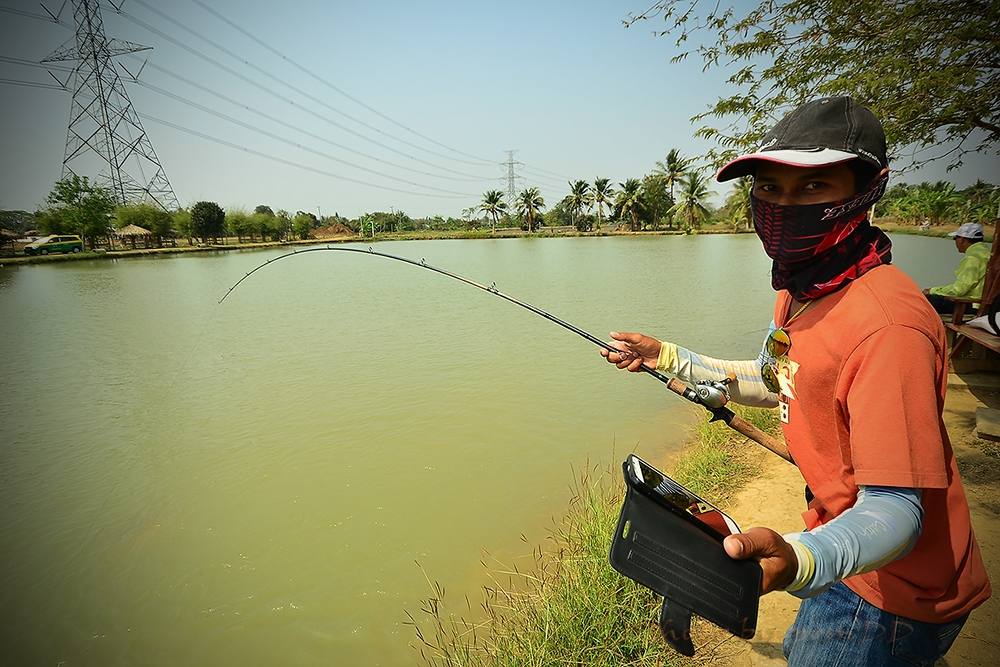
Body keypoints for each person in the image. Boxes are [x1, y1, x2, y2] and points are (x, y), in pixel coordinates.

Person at [601, 96, 990, 666]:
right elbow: (777, 380)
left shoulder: (889, 326)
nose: (783, 206)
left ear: (868, 189)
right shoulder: (802, 291)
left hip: (893, 590)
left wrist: (799, 559)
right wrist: (667, 357)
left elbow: (895, 512)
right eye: (769, 188)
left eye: (813, 188)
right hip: (839, 546)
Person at [924, 222, 991, 315]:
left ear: (962, 240)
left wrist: (932, 290)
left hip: (970, 306)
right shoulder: (988, 254)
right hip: (988, 306)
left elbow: (958, 290)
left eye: (955, 238)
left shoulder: (972, 259)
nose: (955, 241)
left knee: (925, 299)